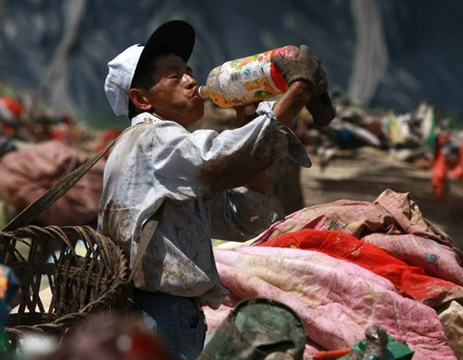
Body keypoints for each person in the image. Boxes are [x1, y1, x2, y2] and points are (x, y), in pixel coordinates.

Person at [99, 20, 328, 359]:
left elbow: (241, 218)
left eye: (188, 72)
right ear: (141, 99)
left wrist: (245, 130)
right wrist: (296, 92)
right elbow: (219, 157)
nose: (192, 80)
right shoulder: (152, 138)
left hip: (167, 314)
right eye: (174, 76)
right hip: (156, 314)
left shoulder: (166, 160)